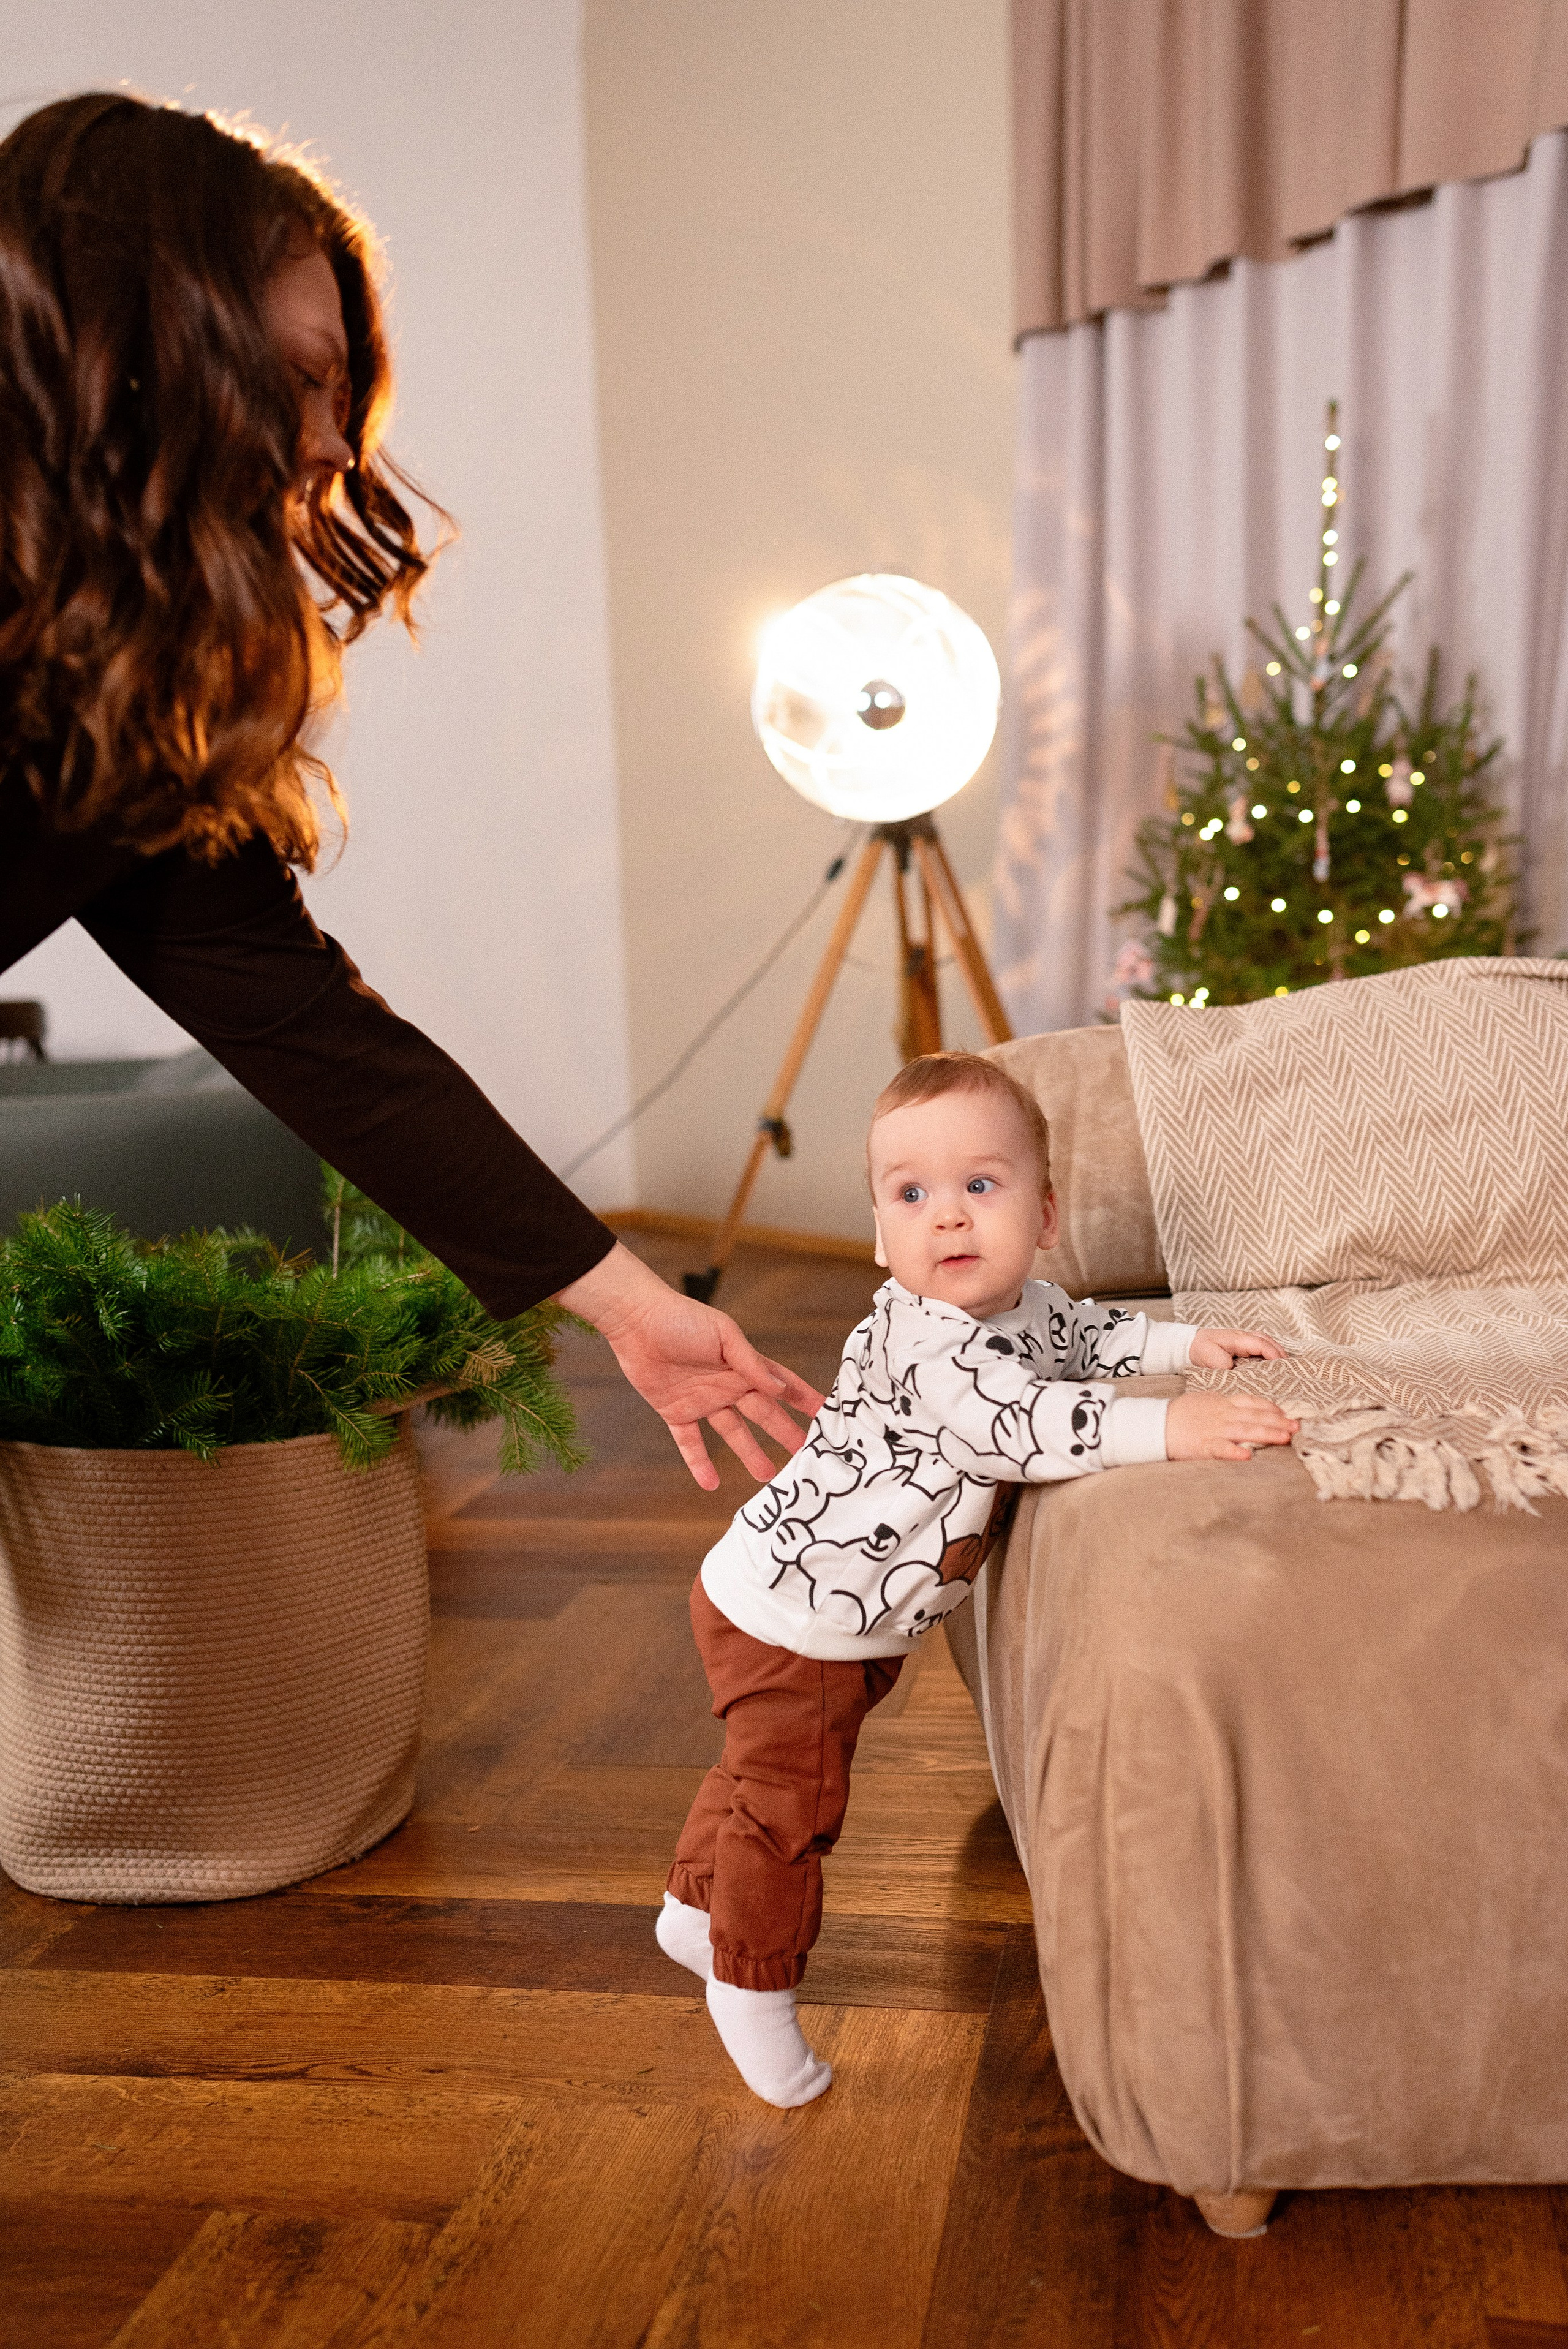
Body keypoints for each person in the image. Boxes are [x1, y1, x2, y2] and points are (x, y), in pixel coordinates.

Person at [0, 92, 819, 1485]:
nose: (334, 447)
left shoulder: (116, 700)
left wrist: (626, 1302)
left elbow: (310, 1026)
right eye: (303, 380)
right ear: (144, 354)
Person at [656, 1050, 1298, 2107]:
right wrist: (1171, 1426)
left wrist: (1191, 1344)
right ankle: (750, 1980)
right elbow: (1021, 1424)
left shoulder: (1031, 1305)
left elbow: (1090, 1332)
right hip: (798, 1619)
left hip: (811, 1609)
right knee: (791, 1805)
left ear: (1044, 1215)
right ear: (878, 1231)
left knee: (752, 1769)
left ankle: (693, 1914)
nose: (947, 1219)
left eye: (979, 1187)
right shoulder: (932, 1342)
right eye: (912, 1195)